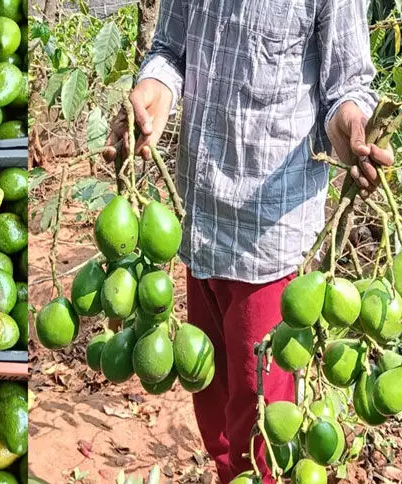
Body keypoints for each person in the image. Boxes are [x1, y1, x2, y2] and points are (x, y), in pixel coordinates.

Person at [102, 0, 394, 482]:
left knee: (259, 429)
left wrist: (351, 130)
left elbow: (345, 88)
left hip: (270, 244)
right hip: (196, 228)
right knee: (212, 407)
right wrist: (150, 93)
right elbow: (170, 51)